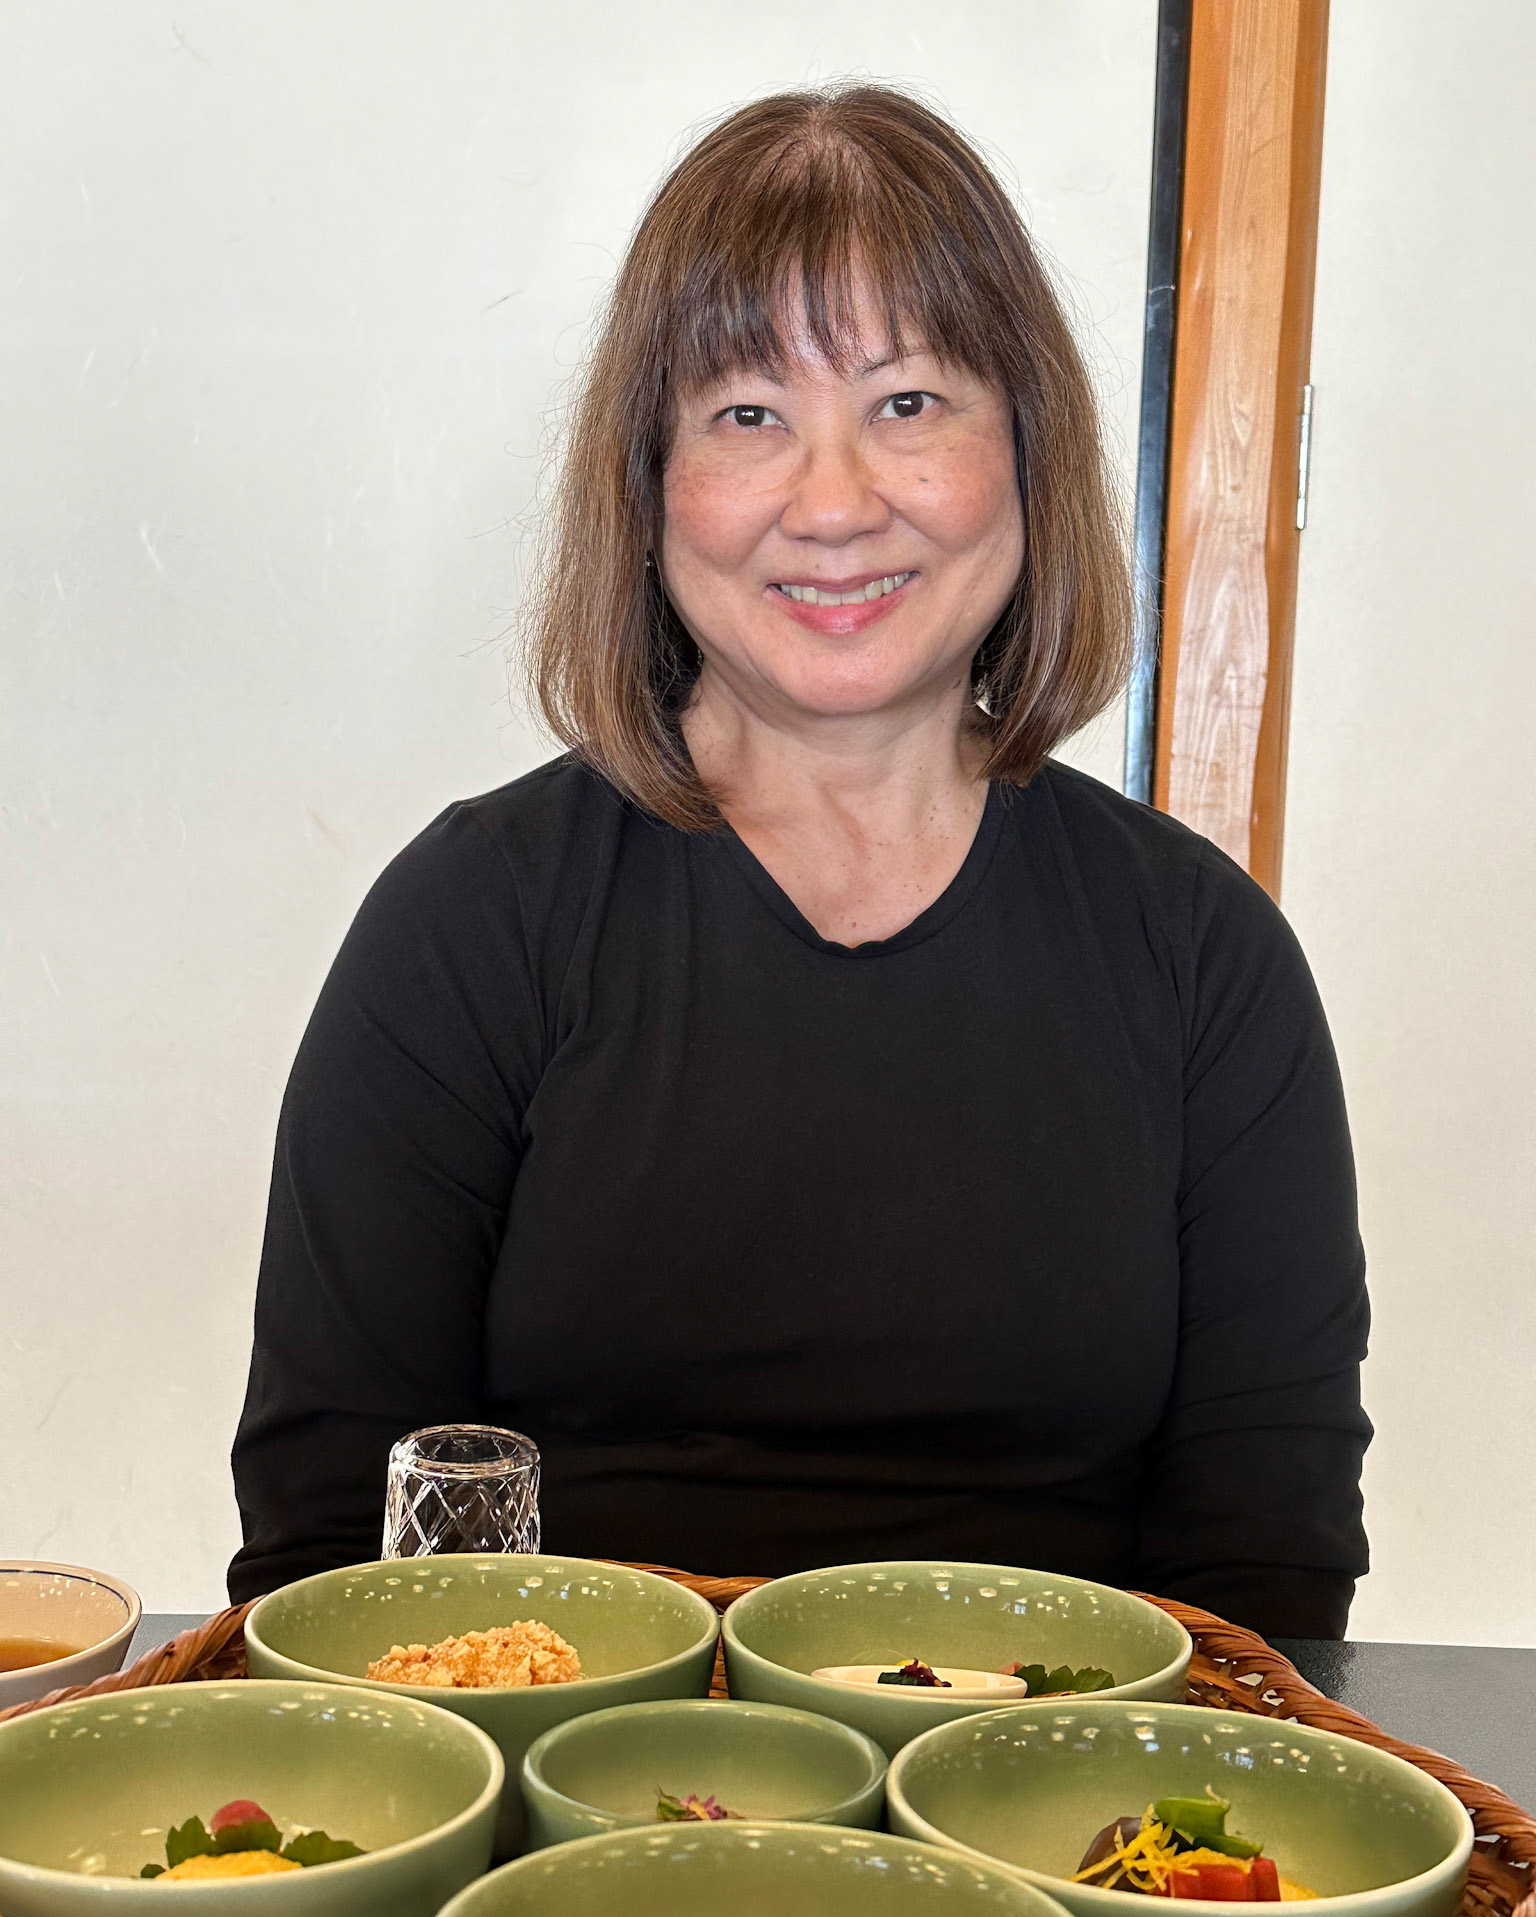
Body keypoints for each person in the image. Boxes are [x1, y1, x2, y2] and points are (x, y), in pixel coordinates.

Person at [228, 84, 1371, 1638]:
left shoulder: (1202, 956)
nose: (835, 505)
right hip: (561, 1769)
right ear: (650, 483)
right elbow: (327, 1555)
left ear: (1027, 453)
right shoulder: (469, 925)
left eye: (910, 403)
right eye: (749, 415)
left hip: (1062, 1777)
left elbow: (1266, 1585)